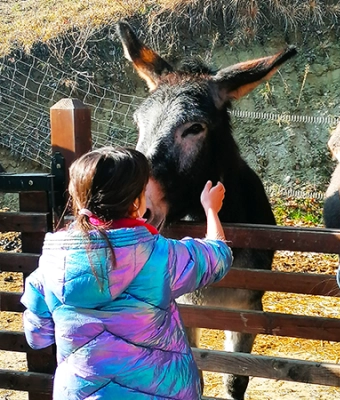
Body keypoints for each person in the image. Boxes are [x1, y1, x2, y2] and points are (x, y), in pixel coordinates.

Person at [21, 146, 233, 400]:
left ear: (77, 198)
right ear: (137, 201)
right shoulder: (161, 256)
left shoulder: (50, 264)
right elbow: (218, 256)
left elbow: (37, 337)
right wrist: (211, 209)